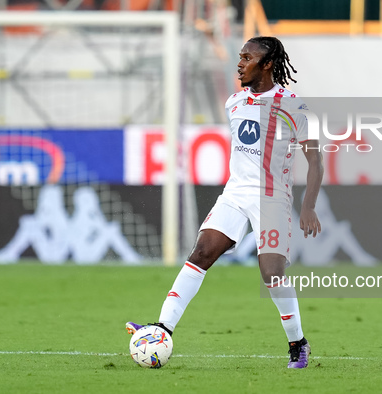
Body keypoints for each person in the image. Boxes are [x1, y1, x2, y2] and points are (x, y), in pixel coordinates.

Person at [126, 36, 324, 369]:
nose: (239, 63)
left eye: (248, 57)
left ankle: (298, 344)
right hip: (235, 193)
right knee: (201, 253)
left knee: (271, 273)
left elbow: (316, 161)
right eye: (240, 56)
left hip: (272, 197)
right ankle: (161, 328)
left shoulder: (294, 106)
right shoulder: (234, 102)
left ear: (267, 64)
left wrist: (308, 206)